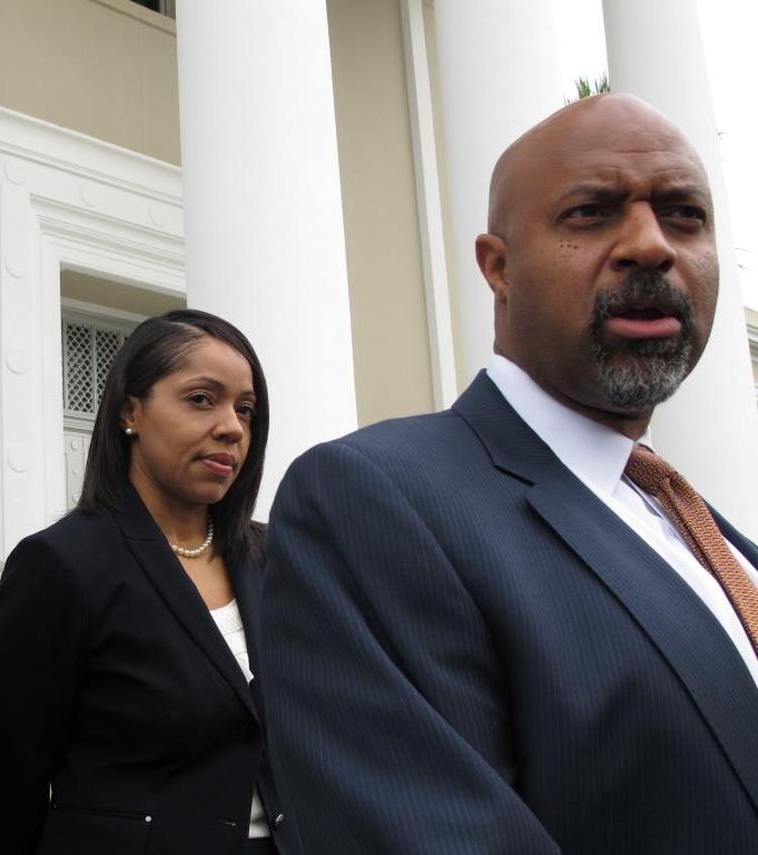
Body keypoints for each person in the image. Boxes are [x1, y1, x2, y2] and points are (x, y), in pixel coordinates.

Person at [261, 93, 758, 853]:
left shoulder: (710, 538)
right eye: (592, 212)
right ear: (498, 266)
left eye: (684, 214)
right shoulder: (375, 501)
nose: (651, 245)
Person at [0, 309, 289, 855]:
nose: (231, 427)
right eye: (201, 399)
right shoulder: (61, 566)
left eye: (245, 409)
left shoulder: (275, 559)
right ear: (130, 412)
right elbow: (6, 774)